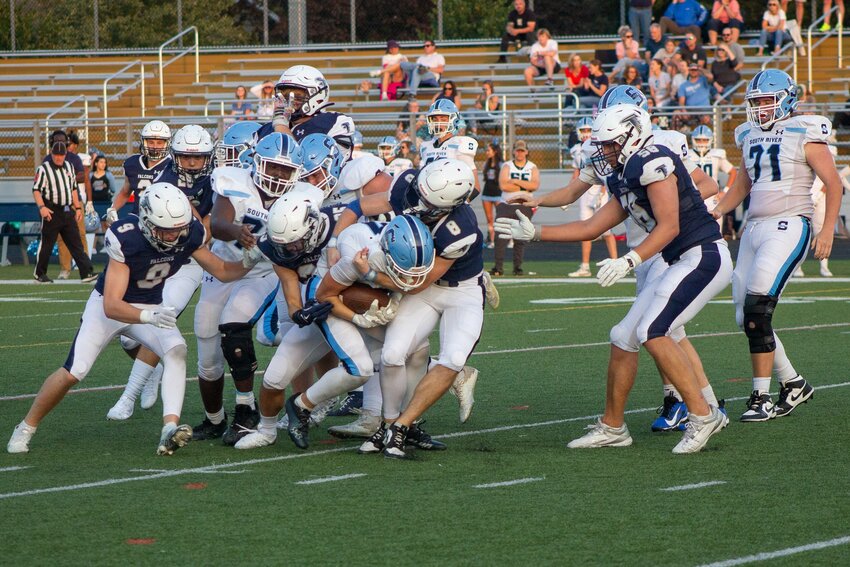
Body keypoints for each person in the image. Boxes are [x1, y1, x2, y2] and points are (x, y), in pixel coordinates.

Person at [496, 105, 731, 453]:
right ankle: (613, 427)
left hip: (703, 255)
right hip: (678, 259)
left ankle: (702, 414)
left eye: (609, 144)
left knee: (653, 330)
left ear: (632, 135)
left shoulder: (653, 160)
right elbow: (592, 226)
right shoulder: (626, 171)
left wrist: (629, 259)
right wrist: (536, 232)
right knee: (623, 336)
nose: (603, 151)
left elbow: (671, 225)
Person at [7, 183, 253, 455]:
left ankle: (169, 429)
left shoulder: (188, 232)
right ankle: (25, 427)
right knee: (74, 371)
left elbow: (220, 269)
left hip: (151, 305)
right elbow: (113, 305)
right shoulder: (126, 236)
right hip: (109, 308)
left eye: (178, 228)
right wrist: (149, 315)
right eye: (166, 229)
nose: (174, 236)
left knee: (176, 350)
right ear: (147, 222)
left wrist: (249, 262)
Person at [710, 69, 842, 422]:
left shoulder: (805, 131)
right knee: (745, 317)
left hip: (789, 224)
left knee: (757, 307)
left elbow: (833, 183)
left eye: (767, 101)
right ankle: (793, 383)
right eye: (756, 102)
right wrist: (718, 210)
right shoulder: (749, 134)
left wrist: (826, 229)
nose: (760, 108)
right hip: (754, 229)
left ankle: (760, 397)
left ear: (786, 99)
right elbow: (742, 184)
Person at [333, 159, 484, 458]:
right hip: (418, 283)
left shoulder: (460, 228)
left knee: (452, 357)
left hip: (456, 291)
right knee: (391, 354)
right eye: (421, 194)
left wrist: (372, 275)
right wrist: (336, 243)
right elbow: (359, 206)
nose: (418, 204)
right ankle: (387, 425)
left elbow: (418, 283)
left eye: (429, 202)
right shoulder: (409, 185)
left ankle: (401, 426)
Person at [106, 124, 216, 421]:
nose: (192, 163)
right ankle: (151, 368)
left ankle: (128, 396)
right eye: (186, 157)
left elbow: (204, 231)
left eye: (198, 157)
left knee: (164, 315)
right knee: (129, 338)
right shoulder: (163, 177)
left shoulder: (215, 179)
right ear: (175, 155)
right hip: (156, 256)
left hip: (190, 260)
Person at [32, 142, 97, 284]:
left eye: (61, 155)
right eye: (56, 155)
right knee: (47, 244)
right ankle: (39, 274)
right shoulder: (43, 169)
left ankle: (86, 272)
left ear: (65, 155)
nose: (59, 158)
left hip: (67, 210)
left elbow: (74, 188)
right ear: (51, 154)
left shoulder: (69, 166)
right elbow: (36, 190)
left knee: (76, 243)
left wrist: (78, 208)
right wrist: (42, 207)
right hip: (51, 209)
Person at [258, 65, 356, 159]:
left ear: (318, 95)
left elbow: (314, 168)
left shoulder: (332, 123)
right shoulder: (266, 129)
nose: (289, 101)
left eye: (297, 96)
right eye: (284, 95)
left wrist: (281, 126)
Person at [566, 118, 619, 278]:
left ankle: (615, 262)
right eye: (583, 131)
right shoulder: (577, 150)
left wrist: (603, 191)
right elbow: (577, 172)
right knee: (584, 229)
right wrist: (568, 193)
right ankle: (585, 266)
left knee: (607, 231)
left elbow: (606, 171)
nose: (586, 134)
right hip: (585, 191)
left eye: (588, 130)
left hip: (599, 189)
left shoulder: (601, 146)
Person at [107, 120, 173, 223]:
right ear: (143, 142)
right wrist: (113, 209)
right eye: (151, 142)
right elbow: (125, 193)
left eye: (159, 143)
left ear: (167, 143)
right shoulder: (133, 164)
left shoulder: (172, 166)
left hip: (164, 221)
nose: (155, 147)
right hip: (138, 218)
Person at [490, 140, 539, 277]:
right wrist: (524, 186)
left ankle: (518, 267)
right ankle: (498, 267)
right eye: (517, 150)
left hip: (524, 205)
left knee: (521, 237)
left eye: (522, 150)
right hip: (506, 204)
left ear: (527, 152)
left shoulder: (532, 167)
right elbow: (504, 186)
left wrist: (515, 181)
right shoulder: (507, 166)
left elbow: (534, 185)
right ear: (513, 151)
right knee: (501, 236)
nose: (520, 153)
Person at [418, 99, 480, 195]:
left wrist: (458, 205)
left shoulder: (460, 144)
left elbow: (475, 187)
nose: (438, 123)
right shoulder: (425, 146)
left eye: (443, 119)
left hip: (454, 204)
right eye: (435, 119)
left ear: (453, 120)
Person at [691, 126, 737, 233]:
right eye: (698, 140)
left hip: (712, 198)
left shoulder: (716, 155)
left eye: (705, 140)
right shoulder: (688, 155)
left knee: (715, 232)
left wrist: (725, 191)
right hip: (693, 196)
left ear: (710, 140)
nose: (701, 143)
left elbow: (733, 172)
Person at [674, 64, 713, 130]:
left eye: (695, 70)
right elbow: (681, 102)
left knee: (705, 118)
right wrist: (684, 111)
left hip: (704, 110)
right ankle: (675, 137)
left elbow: (710, 76)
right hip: (690, 110)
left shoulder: (704, 80)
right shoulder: (683, 85)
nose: (693, 71)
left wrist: (701, 69)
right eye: (692, 70)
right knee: (676, 114)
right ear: (689, 71)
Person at [480, 142, 503, 248]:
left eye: (489, 150)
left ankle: (507, 239)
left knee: (501, 218)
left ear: (495, 152)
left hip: (498, 194)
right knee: (489, 219)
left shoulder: (501, 165)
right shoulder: (486, 163)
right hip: (487, 194)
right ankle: (492, 241)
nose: (487, 152)